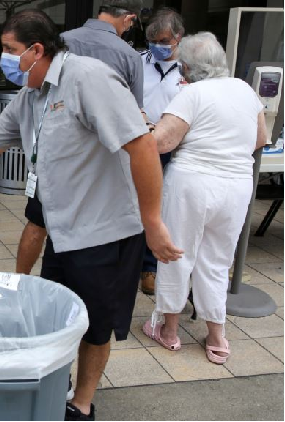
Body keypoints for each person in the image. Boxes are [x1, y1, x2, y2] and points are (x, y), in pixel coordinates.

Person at [0, 9, 182, 420]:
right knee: (55, 318)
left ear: (36, 49)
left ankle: (81, 402)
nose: (5, 58)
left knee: (94, 327)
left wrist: (153, 224)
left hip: (105, 231)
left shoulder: (88, 79)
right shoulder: (31, 94)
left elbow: (142, 146)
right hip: (63, 231)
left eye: (10, 50)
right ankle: (50, 386)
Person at [143, 32, 268, 365]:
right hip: (237, 185)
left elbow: (161, 143)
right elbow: (261, 137)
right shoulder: (244, 89)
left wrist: (148, 126)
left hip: (193, 182)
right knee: (216, 261)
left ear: (186, 66)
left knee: (176, 254)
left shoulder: (191, 94)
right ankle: (216, 337)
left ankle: (169, 331)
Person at [16, 0, 146, 277]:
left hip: (52, 160)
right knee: (88, 250)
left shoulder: (63, 41)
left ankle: (21, 281)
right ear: (128, 19)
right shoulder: (129, 55)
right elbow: (136, 120)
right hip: (98, 171)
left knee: (38, 224)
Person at [138, 7, 185, 295]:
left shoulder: (191, 68)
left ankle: (150, 268)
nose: (157, 46)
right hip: (138, 141)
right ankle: (129, 262)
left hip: (171, 147)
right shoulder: (137, 61)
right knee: (133, 205)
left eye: (164, 41)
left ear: (178, 38)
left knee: (160, 207)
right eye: (152, 40)